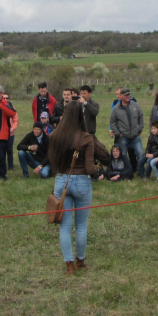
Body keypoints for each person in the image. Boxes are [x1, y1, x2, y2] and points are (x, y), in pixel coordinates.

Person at [47, 96, 99, 274]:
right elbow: (90, 167)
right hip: (82, 182)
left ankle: (69, 264)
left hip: (62, 181)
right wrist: (99, 170)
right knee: (81, 226)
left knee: (65, 226)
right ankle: (80, 261)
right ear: (81, 116)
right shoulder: (86, 137)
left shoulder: (55, 135)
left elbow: (53, 163)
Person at [109, 88, 145, 176]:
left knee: (141, 154)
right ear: (121, 96)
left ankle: (141, 173)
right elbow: (112, 122)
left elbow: (141, 117)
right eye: (126, 95)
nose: (128, 96)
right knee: (123, 155)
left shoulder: (135, 106)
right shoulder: (116, 109)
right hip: (123, 137)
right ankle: (124, 173)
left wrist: (139, 129)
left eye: (129, 94)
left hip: (135, 136)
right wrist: (117, 133)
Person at [3, 92, 18, 171]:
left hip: (10, 133)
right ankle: (0, 165)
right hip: (1, 133)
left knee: (9, 150)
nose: (5, 99)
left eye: (7, 98)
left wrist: (12, 128)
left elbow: (15, 120)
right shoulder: (0, 107)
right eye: (4, 98)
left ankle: (10, 166)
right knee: (1, 150)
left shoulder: (12, 108)